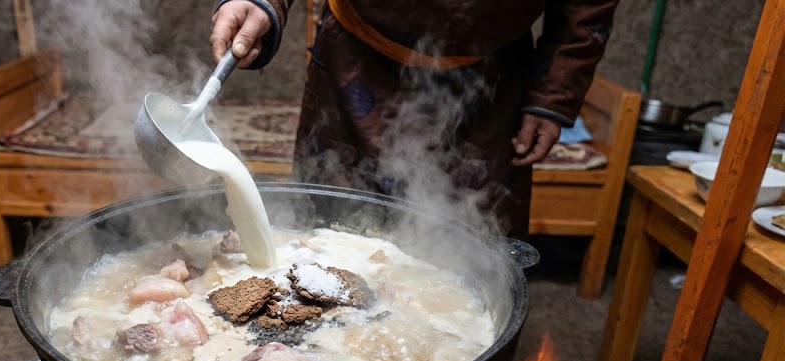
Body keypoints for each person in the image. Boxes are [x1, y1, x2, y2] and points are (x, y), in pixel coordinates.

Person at [209, 0, 619, 237]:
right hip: (356, 63)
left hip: (491, 81)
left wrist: (553, 93)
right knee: (324, 236)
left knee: (473, 251)